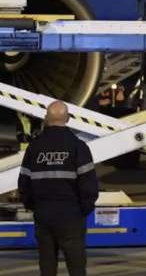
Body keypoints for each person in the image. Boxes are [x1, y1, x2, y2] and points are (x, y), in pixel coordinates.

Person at [18, 100, 98, 276]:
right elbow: (89, 185)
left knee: (47, 265)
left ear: (46, 119)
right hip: (71, 215)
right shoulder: (78, 147)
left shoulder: (35, 147)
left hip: (44, 214)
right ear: (68, 119)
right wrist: (83, 209)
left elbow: (24, 183)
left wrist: (34, 206)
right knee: (76, 265)